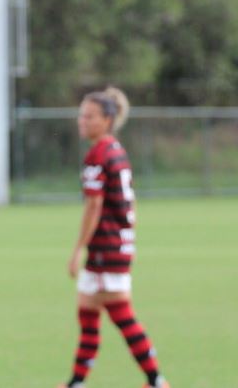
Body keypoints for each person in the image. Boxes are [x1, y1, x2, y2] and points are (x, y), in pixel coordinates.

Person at [58, 87, 169, 388]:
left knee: (121, 316)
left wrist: (77, 250)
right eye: (81, 115)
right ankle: (76, 382)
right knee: (88, 312)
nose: (82, 120)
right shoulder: (115, 150)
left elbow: (94, 205)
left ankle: (156, 380)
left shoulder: (98, 154)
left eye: (89, 116)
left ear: (107, 120)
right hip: (116, 245)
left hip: (105, 249)